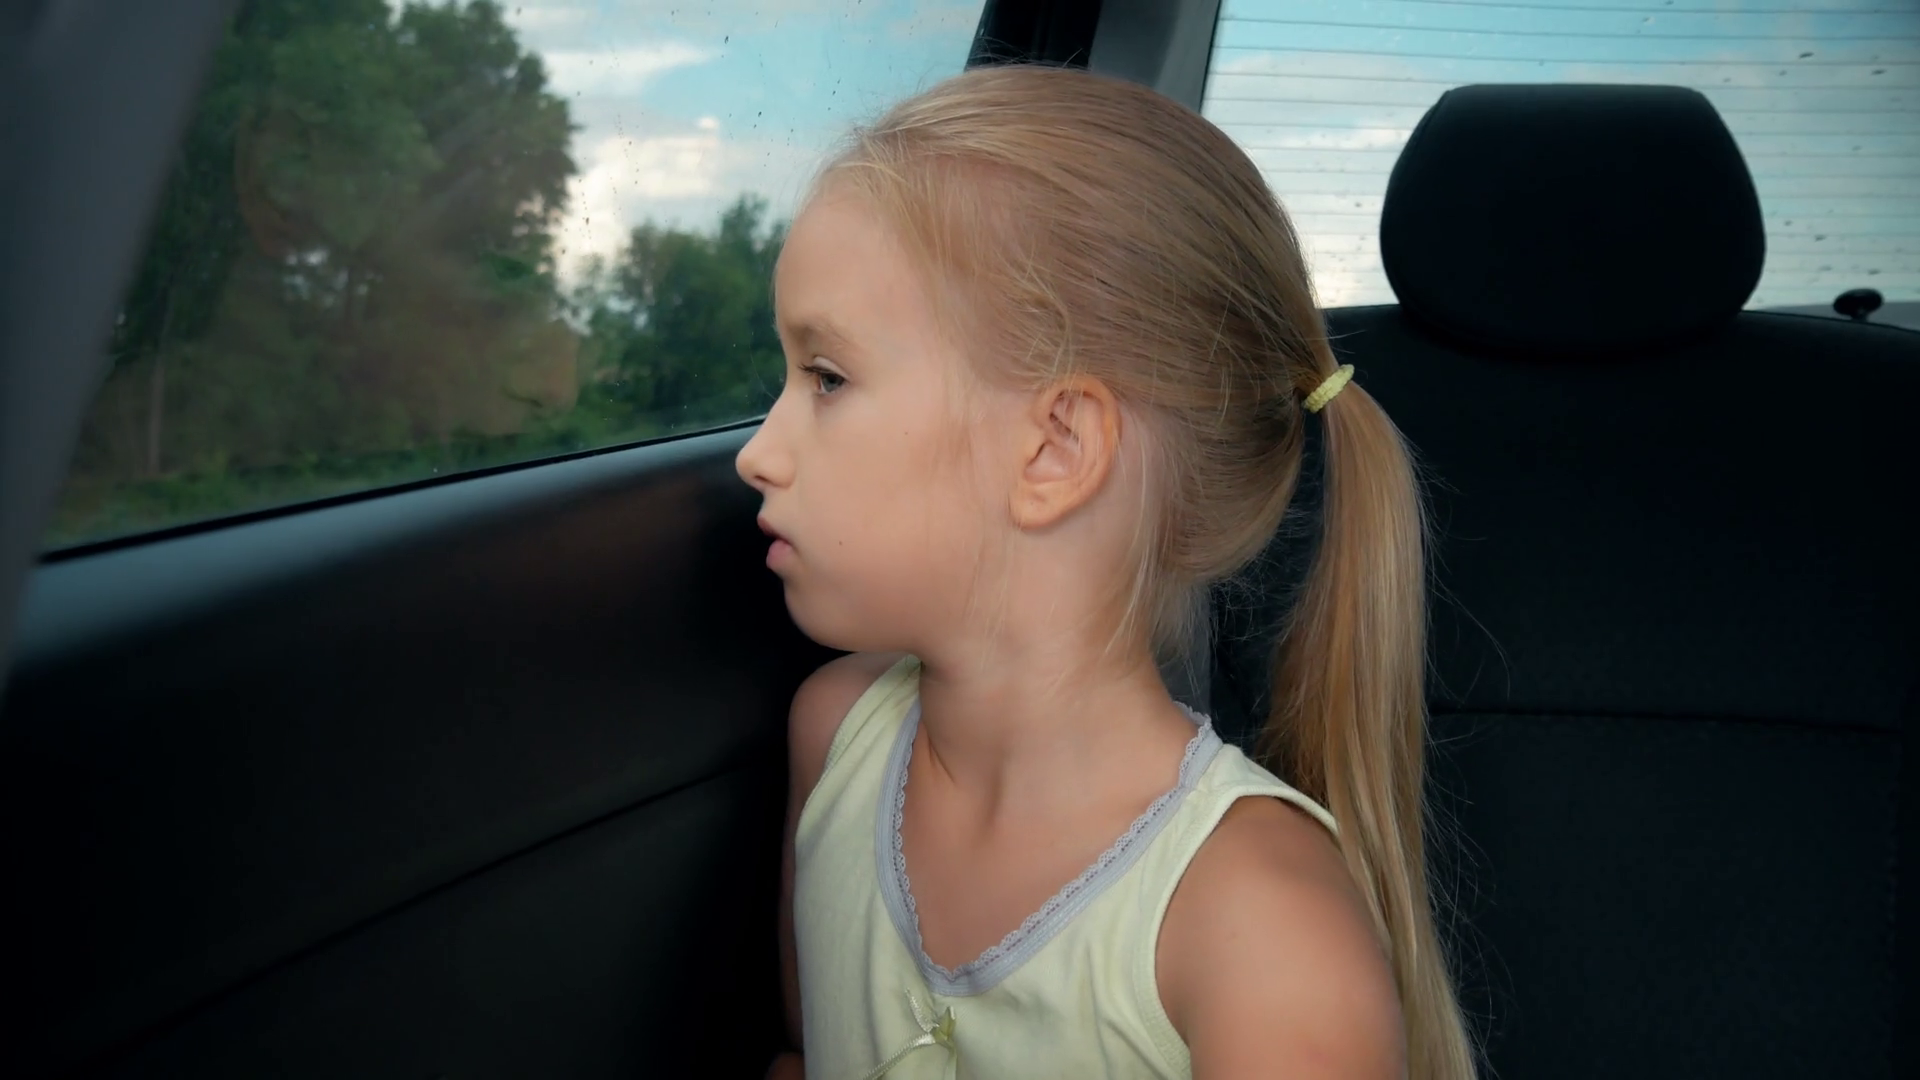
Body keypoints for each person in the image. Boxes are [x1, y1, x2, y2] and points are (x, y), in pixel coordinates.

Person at [737, 64, 1475, 1080]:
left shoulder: (1261, 933)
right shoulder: (837, 737)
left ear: (1055, 450)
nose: (757, 452)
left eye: (826, 377)